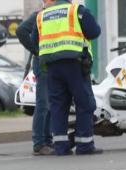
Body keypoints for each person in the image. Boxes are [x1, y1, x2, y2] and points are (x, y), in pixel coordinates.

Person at [31, 0, 102, 156]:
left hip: (52, 68)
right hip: (74, 64)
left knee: (58, 106)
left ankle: (61, 147)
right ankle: (85, 145)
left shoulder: (42, 16)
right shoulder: (76, 11)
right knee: (84, 103)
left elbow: (34, 41)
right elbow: (94, 31)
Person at [17, 5, 54, 156]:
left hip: (52, 63)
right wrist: (36, 50)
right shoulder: (41, 14)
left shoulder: (55, 13)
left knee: (50, 103)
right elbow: (20, 31)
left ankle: (47, 141)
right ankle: (39, 143)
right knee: (43, 103)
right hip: (43, 63)